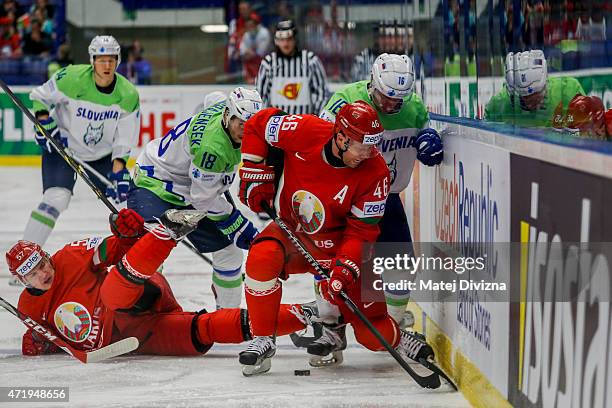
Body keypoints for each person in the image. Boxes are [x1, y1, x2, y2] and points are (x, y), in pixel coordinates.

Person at [236, 101, 434, 374]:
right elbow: (258, 124)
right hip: (296, 232)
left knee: (371, 334)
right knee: (261, 256)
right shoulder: (305, 130)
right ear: (340, 137)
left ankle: (398, 339)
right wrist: (255, 170)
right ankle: (262, 340)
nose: (368, 153)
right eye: (362, 146)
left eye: (372, 146)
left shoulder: (376, 173)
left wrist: (344, 270)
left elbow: (361, 232)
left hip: (342, 247)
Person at [6, 208, 308, 359]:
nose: (43, 273)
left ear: (47, 255)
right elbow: (57, 336)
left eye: (42, 264)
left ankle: (166, 232)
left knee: (112, 295)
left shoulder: (70, 255)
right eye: (32, 274)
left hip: (140, 294)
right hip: (139, 336)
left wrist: (125, 234)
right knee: (204, 330)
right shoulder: (28, 307)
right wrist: (42, 344)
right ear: (21, 281)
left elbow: (117, 249)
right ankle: (309, 314)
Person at [318, 53, 442, 346]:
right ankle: (330, 327)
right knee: (328, 264)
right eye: (384, 97)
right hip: (343, 199)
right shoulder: (345, 99)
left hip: (385, 198)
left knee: (401, 265)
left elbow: (425, 130)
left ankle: (392, 325)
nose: (388, 105)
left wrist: (429, 138)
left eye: (396, 101)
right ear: (372, 83)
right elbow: (319, 143)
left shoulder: (413, 108)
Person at [13, 36, 140, 287]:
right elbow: (40, 96)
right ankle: (26, 265)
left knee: (127, 202)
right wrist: (43, 121)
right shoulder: (70, 78)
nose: (106, 65)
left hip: (102, 156)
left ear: (118, 61)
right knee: (55, 198)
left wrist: (118, 168)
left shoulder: (127, 94)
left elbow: (125, 135)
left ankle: (141, 261)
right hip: (63, 148)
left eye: (111, 59)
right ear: (92, 60)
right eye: (101, 59)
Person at [128, 87, 261, 310]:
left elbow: (213, 97)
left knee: (230, 252)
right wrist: (241, 226)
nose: (246, 131)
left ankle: (226, 318)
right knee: (151, 248)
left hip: (191, 185)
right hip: (155, 181)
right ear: (228, 115)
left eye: (251, 125)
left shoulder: (223, 107)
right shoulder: (212, 149)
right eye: (241, 124)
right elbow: (203, 200)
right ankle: (140, 313)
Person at [484, 49, 585, 127]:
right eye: (524, 96)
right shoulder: (498, 104)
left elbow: (588, 131)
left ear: (545, 82)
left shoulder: (569, 91)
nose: (529, 102)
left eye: (535, 95)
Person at [256, 19, 328, 115]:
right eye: (282, 40)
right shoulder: (268, 63)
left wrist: (316, 118)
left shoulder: (310, 60)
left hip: (305, 123)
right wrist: (266, 119)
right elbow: (260, 96)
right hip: (276, 125)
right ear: (276, 41)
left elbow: (321, 93)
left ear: (295, 39)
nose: (285, 44)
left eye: (289, 39)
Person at [239, 15, 271, 84]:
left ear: (256, 25)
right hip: (250, 64)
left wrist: (249, 52)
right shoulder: (246, 35)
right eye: (247, 26)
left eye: (251, 26)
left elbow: (261, 52)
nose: (249, 28)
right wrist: (249, 52)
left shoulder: (264, 33)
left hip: (264, 63)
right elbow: (242, 52)